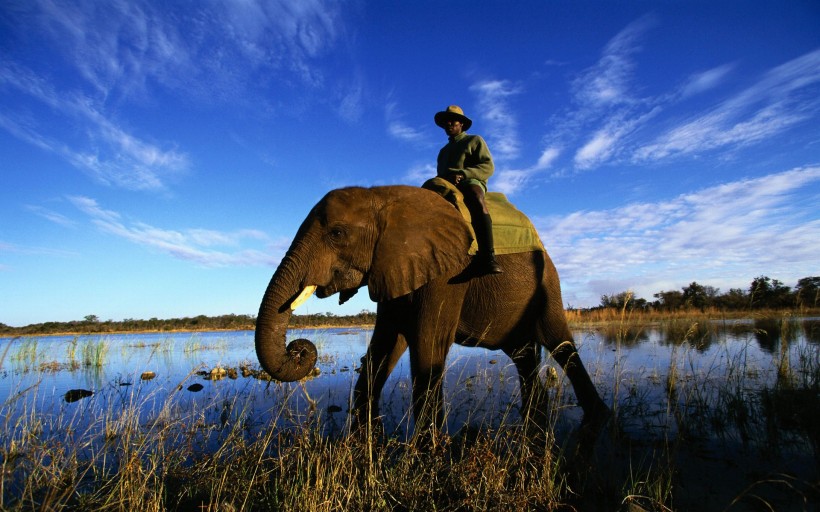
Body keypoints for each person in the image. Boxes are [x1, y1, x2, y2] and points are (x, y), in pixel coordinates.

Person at [434, 105, 502, 274]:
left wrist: (464, 174)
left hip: (470, 181)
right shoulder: (443, 152)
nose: (449, 124)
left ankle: (488, 256)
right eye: (446, 121)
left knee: (475, 196)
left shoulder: (474, 140)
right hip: (447, 186)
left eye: (453, 120)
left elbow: (488, 166)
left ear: (461, 124)